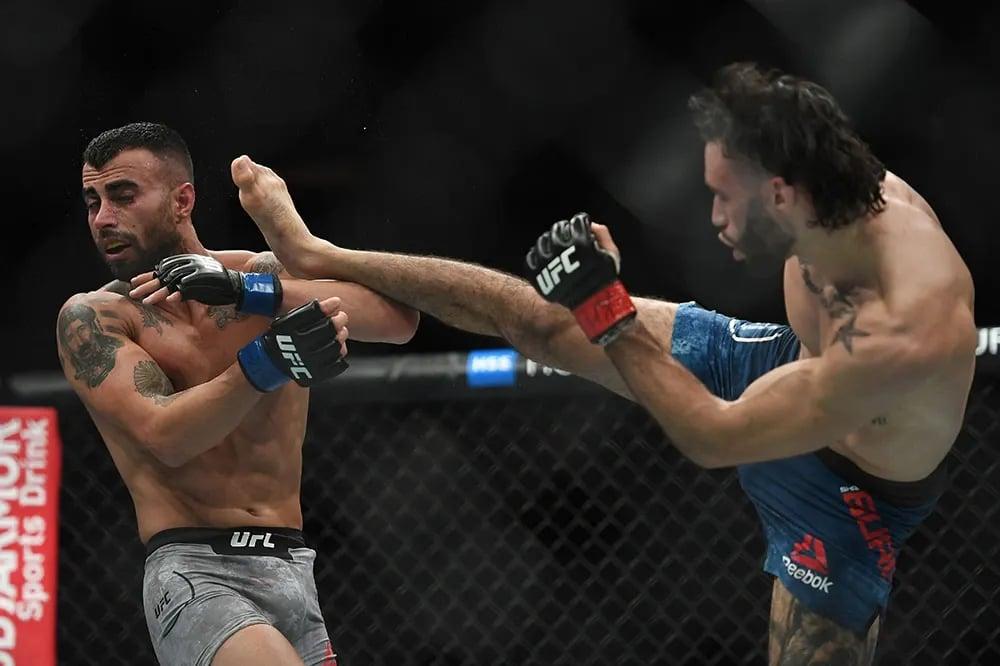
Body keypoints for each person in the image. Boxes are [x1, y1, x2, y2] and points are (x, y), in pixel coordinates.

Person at [134, 64, 976, 664]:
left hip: (847, 486)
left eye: (725, 195)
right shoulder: (830, 184)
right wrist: (587, 307)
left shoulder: (904, 325)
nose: (710, 212)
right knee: (535, 317)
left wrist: (607, 308)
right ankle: (318, 246)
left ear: (783, 194)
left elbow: (714, 437)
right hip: (783, 367)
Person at [58, 122, 420, 666]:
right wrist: (267, 358)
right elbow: (167, 436)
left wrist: (251, 289)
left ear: (183, 201)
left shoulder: (257, 278)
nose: (103, 218)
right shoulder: (95, 317)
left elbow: (398, 320)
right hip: (196, 572)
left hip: (295, 569)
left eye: (123, 196)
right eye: (92, 201)